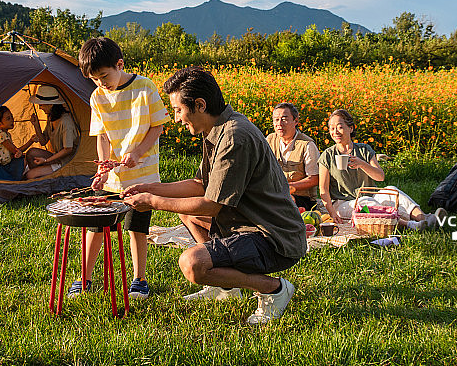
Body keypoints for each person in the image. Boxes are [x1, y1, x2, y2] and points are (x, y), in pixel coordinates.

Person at [122, 67, 306, 325]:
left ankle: (274, 289)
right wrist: (150, 188)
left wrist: (153, 202)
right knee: (186, 211)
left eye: (177, 110)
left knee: (192, 264)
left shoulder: (234, 136)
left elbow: (212, 205)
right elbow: (199, 184)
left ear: (199, 105)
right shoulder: (218, 129)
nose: (176, 119)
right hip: (246, 223)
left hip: (273, 237)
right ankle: (227, 289)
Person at [70, 37, 169, 300]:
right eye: (94, 78)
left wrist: (137, 153)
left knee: (137, 226)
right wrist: (103, 169)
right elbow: (101, 136)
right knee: (98, 226)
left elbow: (157, 126)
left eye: (103, 75)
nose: (100, 82)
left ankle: (139, 279)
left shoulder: (144, 87)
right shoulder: (97, 97)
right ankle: (85, 277)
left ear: (120, 64)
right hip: (113, 176)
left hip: (143, 172)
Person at [318, 109, 444, 229]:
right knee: (366, 204)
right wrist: (332, 213)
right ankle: (410, 225)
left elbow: (380, 176)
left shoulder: (364, 150)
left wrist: (362, 164)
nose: (335, 132)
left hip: (371, 196)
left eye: (339, 127)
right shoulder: (327, 155)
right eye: (332, 128)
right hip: (343, 203)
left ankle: (426, 220)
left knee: (392, 191)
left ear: (351, 128)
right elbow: (323, 189)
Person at [265, 102, 321, 210]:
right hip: (276, 194)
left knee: (286, 201)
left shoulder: (307, 145)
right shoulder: (270, 140)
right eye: (276, 120)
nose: (279, 124)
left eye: (284, 119)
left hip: (302, 198)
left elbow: (314, 179)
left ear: (296, 121)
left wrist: (291, 187)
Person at [24, 85, 79, 180]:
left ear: (51, 104)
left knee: (29, 175)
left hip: (67, 161)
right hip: (57, 157)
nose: (40, 107)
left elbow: (68, 149)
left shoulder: (66, 122)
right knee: (31, 153)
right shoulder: (51, 118)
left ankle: (42, 175)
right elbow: (43, 141)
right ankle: (42, 173)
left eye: (41, 104)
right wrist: (36, 125)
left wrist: (46, 161)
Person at [0, 105, 36, 181]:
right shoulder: (1, 135)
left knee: (22, 158)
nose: (12, 120)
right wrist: (31, 141)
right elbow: (15, 151)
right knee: (21, 160)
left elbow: (11, 154)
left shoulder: (7, 134)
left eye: (12, 117)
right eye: (8, 119)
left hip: (3, 165)